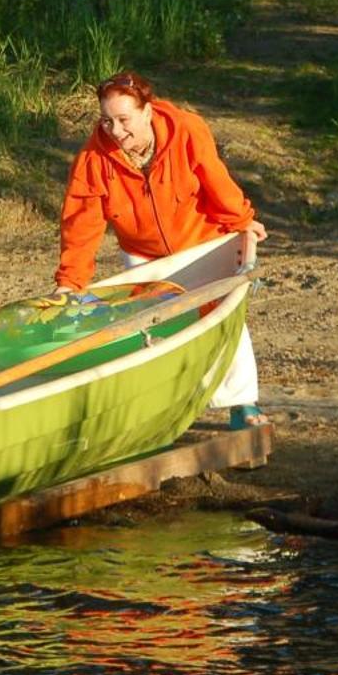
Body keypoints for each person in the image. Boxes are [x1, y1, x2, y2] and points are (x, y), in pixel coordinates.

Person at [53, 70, 270, 428]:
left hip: (203, 241)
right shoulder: (93, 161)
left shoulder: (187, 129)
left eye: (124, 120)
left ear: (148, 111)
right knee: (155, 327)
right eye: (107, 121)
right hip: (144, 255)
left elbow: (216, 180)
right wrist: (70, 282)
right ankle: (165, 408)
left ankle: (242, 406)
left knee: (224, 315)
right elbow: (80, 227)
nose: (116, 131)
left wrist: (242, 220)